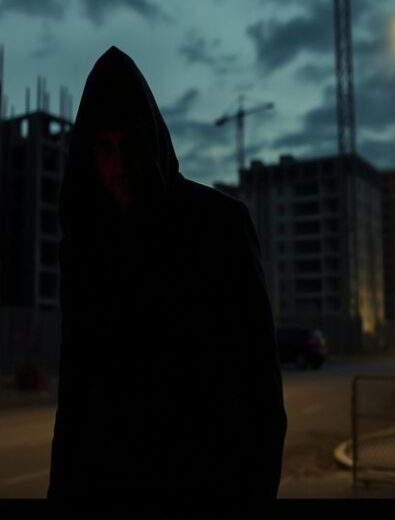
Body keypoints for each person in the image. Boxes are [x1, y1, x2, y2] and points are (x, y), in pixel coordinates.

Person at [48, 46, 287, 506]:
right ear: (87, 153)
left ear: (149, 141)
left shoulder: (218, 227)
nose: (118, 166)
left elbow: (259, 408)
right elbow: (76, 406)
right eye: (104, 148)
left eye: (128, 146)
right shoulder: (84, 248)